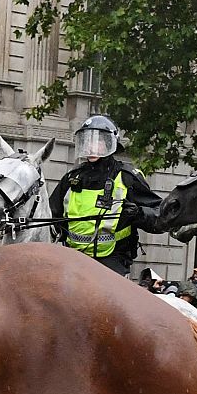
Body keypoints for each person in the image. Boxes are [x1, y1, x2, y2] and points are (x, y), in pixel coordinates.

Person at [48, 114, 163, 276]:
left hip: (112, 260)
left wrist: (138, 214)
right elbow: (52, 214)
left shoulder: (127, 177)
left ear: (111, 143)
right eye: (88, 141)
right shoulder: (72, 177)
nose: (91, 147)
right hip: (73, 257)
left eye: (98, 141)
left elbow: (160, 216)